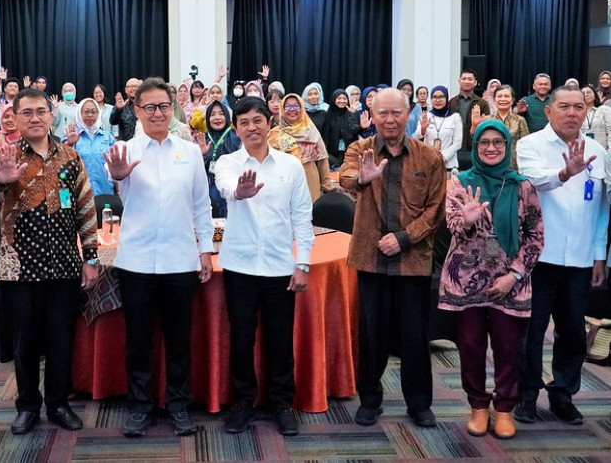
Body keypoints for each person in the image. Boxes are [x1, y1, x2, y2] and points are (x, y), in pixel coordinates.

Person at [0, 88, 99, 435]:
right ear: (15, 118)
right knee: (25, 340)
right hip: (20, 269)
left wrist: (90, 257)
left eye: (40, 112)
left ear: (51, 116)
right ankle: (28, 405)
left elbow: (86, 208)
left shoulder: (69, 157)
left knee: (62, 338)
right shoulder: (4, 155)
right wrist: (1, 182)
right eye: (27, 112)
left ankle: (59, 403)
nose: (34, 118)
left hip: (63, 265)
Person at [103, 77, 214, 438]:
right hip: (136, 262)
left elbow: (201, 204)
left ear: (173, 108)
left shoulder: (190, 152)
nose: (157, 113)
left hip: (180, 260)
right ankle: (140, 407)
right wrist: (117, 177)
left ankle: (179, 405)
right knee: (139, 340)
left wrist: (206, 251)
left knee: (179, 338)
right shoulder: (125, 150)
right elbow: (114, 175)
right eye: (149, 107)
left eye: (163, 106)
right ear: (136, 111)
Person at [338, 88, 446, 429]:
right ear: (371, 114)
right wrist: (361, 179)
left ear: (408, 113)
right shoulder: (361, 149)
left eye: (396, 113)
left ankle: (419, 404)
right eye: (382, 113)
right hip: (371, 260)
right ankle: (370, 400)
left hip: (412, 260)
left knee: (416, 336)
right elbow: (344, 176)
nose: (389, 119)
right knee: (372, 336)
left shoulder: (429, 157)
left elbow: (435, 210)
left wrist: (403, 239)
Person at [214, 97, 313, 436]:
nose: (252, 127)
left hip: (280, 267)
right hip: (240, 267)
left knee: (281, 340)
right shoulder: (226, 162)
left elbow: (302, 217)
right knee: (241, 340)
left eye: (257, 120)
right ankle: (243, 402)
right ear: (236, 128)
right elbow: (226, 186)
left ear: (269, 123)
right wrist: (239, 193)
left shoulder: (290, 166)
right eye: (244, 122)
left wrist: (303, 264)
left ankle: (282, 404)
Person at [439, 121, 544, 440]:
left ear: (507, 145)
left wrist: (514, 275)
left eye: (498, 142)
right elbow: (453, 225)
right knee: (470, 346)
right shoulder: (459, 182)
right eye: (484, 142)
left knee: (508, 348)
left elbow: (535, 236)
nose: (491, 148)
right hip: (466, 280)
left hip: (508, 282)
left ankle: (503, 410)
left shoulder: (521, 185)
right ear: (475, 145)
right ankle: (478, 407)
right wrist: (468, 222)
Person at [515, 85, 608, 426]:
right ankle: (526, 395)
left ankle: (563, 394)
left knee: (572, 332)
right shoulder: (530, 145)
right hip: (539, 257)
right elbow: (532, 181)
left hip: (581, 258)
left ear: (587, 112)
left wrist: (600, 254)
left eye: (579, 107)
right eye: (564, 106)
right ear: (549, 111)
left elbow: (601, 209)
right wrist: (565, 173)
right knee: (531, 331)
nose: (572, 113)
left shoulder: (598, 151)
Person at [268, 94, 334, 203]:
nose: (292, 110)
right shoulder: (274, 133)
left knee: (308, 215)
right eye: (288, 107)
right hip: (283, 180)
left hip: (309, 179)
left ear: (302, 108)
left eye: (296, 106)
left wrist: (327, 186)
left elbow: (322, 159)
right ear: (282, 109)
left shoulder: (310, 130)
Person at [195, 100, 241, 218]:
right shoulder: (202, 138)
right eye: (212, 114)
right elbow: (194, 171)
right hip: (207, 191)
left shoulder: (236, 137)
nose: (217, 117)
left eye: (221, 113)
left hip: (230, 190)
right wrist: (202, 155)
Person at [63, 98, 117, 196]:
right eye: (86, 112)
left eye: (93, 112)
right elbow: (60, 165)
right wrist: (70, 144)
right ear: (79, 113)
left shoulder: (107, 136)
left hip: (105, 192)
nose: (90, 115)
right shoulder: (71, 135)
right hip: (79, 194)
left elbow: (116, 166)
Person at [415, 86, 462, 172]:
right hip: (429, 163)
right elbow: (418, 135)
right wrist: (423, 129)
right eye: (435, 97)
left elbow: (457, 143)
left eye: (441, 97)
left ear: (446, 98)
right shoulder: (426, 116)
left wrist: (442, 157)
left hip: (449, 165)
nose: (438, 100)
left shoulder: (455, 117)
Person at [490, 85, 529, 170]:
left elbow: (526, 146)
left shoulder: (519, 120)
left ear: (512, 101)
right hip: (491, 167)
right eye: (499, 96)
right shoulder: (487, 120)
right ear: (494, 100)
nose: (503, 99)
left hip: (514, 167)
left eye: (506, 96)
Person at [322, 89, 356, 169]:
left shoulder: (350, 114)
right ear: (334, 99)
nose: (342, 101)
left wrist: (352, 114)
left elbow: (354, 130)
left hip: (349, 154)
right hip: (332, 155)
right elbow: (325, 137)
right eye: (339, 98)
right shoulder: (328, 115)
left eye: (344, 98)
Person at [449, 69, 484, 137]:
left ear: (475, 82)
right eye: (464, 79)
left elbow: (486, 124)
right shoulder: (451, 102)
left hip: (474, 142)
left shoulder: (482, 103)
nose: (467, 81)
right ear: (459, 81)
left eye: (470, 79)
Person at [580, 84, 611, 150]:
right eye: (583, 93)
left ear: (595, 96)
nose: (586, 94)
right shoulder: (578, 112)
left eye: (589, 92)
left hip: (602, 149)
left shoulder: (604, 109)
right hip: (583, 150)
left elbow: (610, 129)